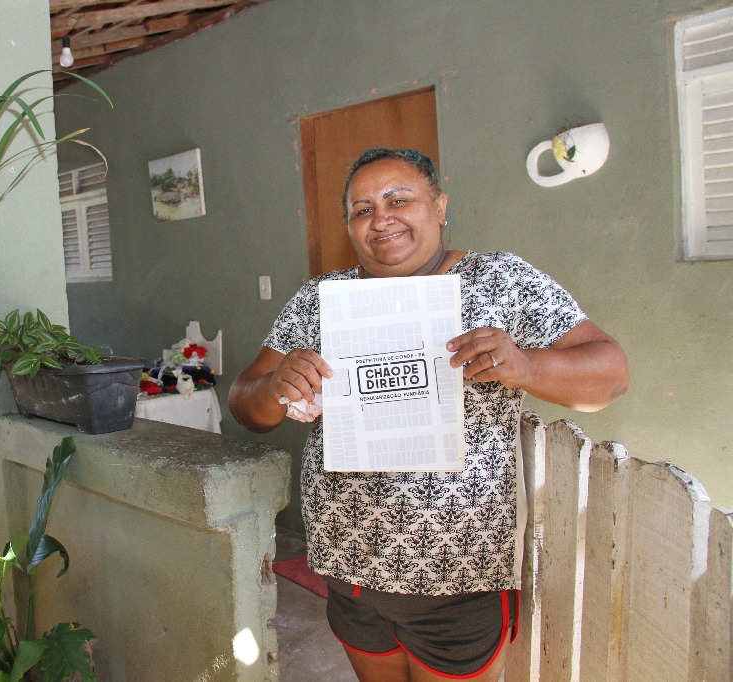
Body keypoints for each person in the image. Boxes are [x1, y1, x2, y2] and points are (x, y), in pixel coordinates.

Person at [228, 148, 629, 681]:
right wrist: (275, 385)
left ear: (440, 207)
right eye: (362, 209)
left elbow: (611, 374)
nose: (381, 219)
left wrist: (527, 365)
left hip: (459, 574)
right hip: (350, 567)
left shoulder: (499, 280)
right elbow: (245, 404)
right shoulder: (319, 300)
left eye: (399, 200)